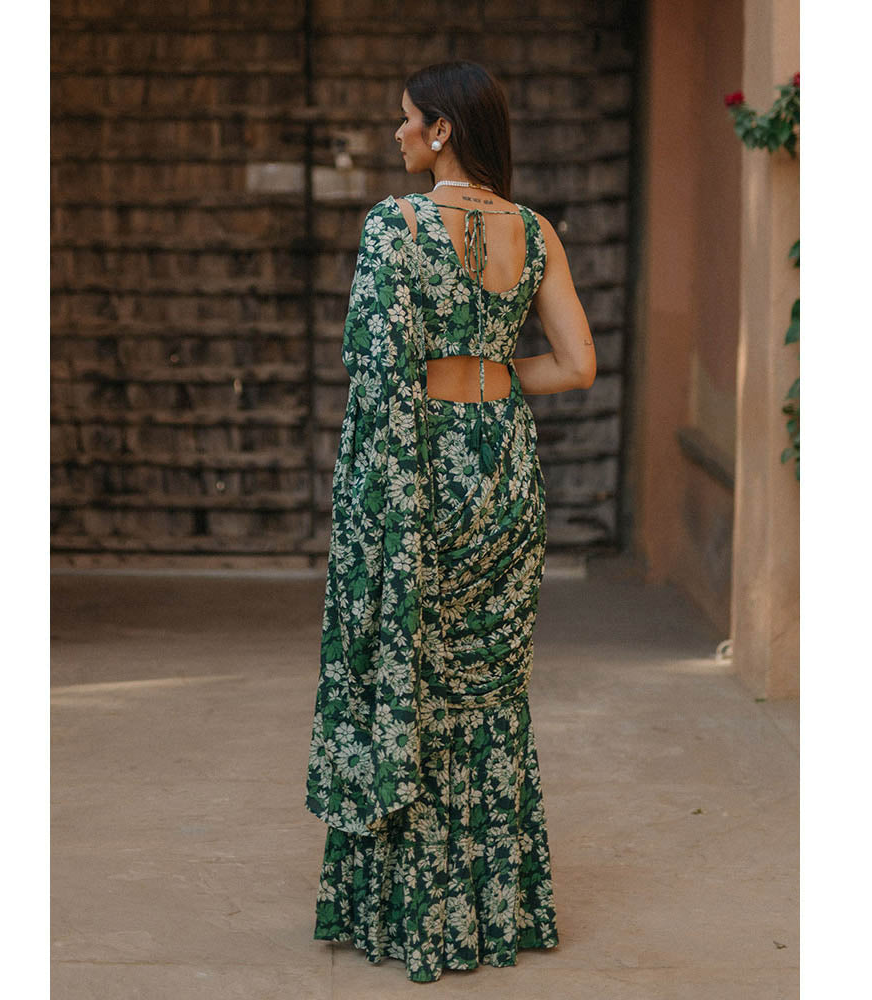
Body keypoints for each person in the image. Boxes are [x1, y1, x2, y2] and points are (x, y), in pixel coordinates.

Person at [305, 60, 596, 984]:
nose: (395, 134)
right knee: (492, 694)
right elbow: (577, 365)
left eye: (405, 120)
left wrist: (373, 508)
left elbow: (376, 372)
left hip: (421, 473)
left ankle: (415, 914)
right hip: (504, 472)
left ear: (441, 131)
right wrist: (495, 374)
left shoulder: (395, 227)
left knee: (413, 680)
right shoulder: (535, 230)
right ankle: (490, 907)